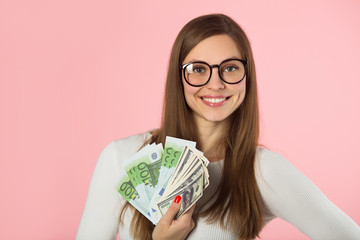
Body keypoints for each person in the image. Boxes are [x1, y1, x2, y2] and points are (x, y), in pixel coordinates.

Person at [76, 14, 360, 240]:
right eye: (198, 69)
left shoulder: (263, 171)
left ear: (247, 75)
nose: (216, 83)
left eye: (230, 68)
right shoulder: (120, 157)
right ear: (180, 78)